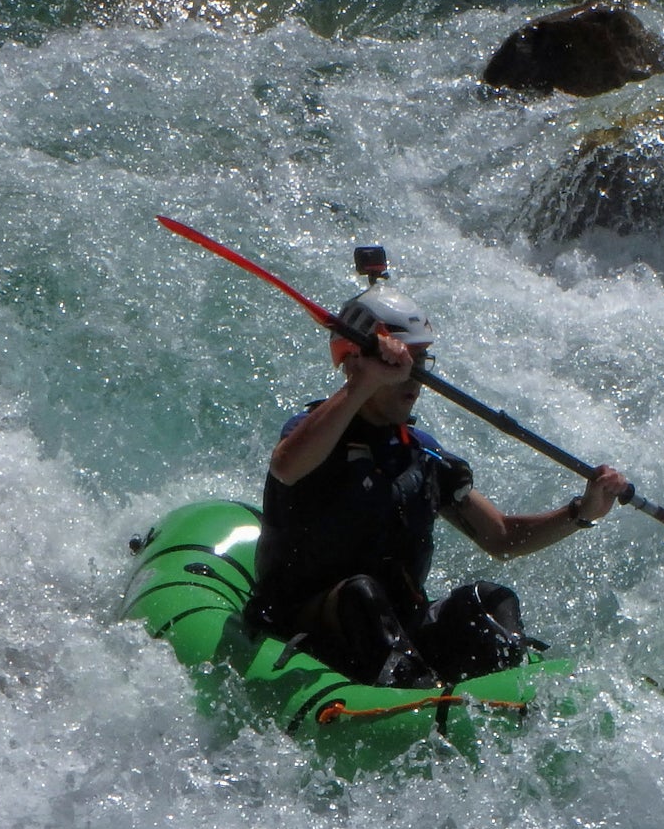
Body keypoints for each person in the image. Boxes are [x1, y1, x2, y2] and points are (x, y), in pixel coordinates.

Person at [245, 281, 630, 689]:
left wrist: (581, 513)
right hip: (313, 626)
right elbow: (287, 467)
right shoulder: (310, 435)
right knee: (362, 594)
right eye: (399, 364)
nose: (413, 379)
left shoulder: (422, 454)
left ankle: (515, 692)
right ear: (355, 361)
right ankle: (418, 698)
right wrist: (363, 381)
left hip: (399, 634)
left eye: (420, 363)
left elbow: (501, 537)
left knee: (490, 600)